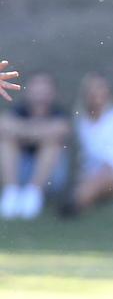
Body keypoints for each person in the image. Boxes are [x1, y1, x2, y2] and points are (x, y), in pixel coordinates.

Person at [60, 73, 113, 217]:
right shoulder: (82, 121)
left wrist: (100, 173)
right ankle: (80, 200)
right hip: (90, 173)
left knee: (98, 181)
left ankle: (76, 205)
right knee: (91, 181)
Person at [0, 72, 69, 219]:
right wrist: (40, 133)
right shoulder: (18, 110)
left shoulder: (59, 113)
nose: (40, 92)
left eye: (45, 87)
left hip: (51, 176)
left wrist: (22, 133)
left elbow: (60, 130)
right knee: (6, 141)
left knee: (51, 144)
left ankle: (33, 195)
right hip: (19, 169)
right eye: (36, 87)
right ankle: (11, 193)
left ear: (52, 92)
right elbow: (4, 126)